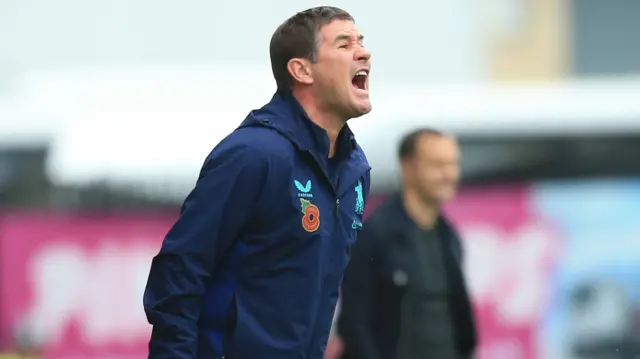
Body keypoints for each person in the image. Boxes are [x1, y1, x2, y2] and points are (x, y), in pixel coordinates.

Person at [143, 6, 372, 359]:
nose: (363, 52)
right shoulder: (253, 154)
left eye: (360, 41)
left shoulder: (355, 171)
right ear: (301, 70)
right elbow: (181, 270)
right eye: (344, 45)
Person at [337, 129, 476, 359]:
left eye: (453, 164)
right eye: (438, 165)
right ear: (408, 167)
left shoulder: (449, 236)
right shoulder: (375, 234)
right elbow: (354, 324)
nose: (450, 174)